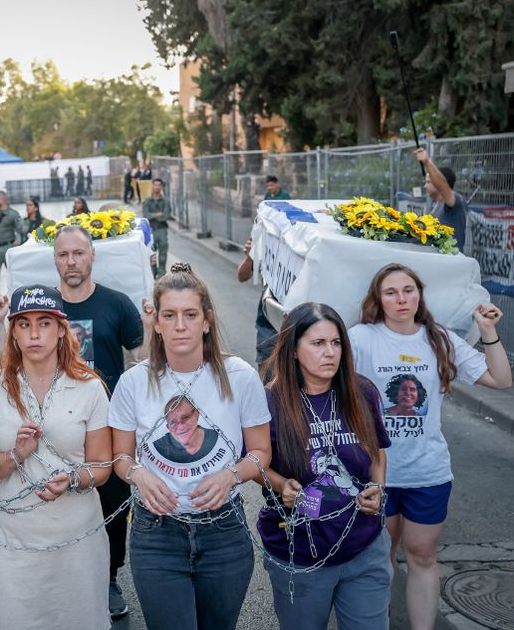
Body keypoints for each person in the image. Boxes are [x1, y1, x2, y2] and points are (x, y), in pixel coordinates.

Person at [0, 225, 149, 620]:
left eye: (79, 253)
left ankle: (108, 575)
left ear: (92, 256)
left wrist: (149, 321)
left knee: (111, 499)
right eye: (63, 255)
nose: (71, 261)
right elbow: (5, 365)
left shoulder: (116, 304)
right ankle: (49, 584)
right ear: (55, 260)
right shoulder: (40, 305)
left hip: (105, 423)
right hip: (51, 420)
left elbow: (142, 360)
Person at [108, 263, 272, 630]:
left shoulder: (240, 377)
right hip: (156, 535)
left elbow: (261, 454)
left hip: (225, 533)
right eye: (170, 315)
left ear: (207, 321)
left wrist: (231, 475)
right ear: (157, 323)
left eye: (190, 314)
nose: (180, 325)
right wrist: (138, 475)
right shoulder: (133, 382)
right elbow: (120, 456)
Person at [348, 263, 511, 630]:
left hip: (428, 472)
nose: (401, 299)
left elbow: (501, 379)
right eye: (390, 292)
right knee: (379, 557)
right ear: (378, 298)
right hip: (376, 472)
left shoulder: (439, 338)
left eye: (409, 289)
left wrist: (488, 332)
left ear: (420, 294)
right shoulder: (360, 338)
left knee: (422, 554)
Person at [0, 284, 112, 630]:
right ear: (13, 333)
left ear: (62, 331)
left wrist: (74, 479)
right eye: (24, 324)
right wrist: (15, 455)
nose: (34, 333)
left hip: (79, 536)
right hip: (18, 539)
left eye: (45, 323)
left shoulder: (90, 387)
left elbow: (102, 466)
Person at [255, 303, 391, 630]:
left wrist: (378, 486)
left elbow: (377, 453)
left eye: (336, 342)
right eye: (318, 343)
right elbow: (255, 462)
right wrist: (280, 485)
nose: (330, 352)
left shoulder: (362, 392)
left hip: (365, 547)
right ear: (293, 350)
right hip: (300, 553)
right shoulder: (269, 401)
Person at [237, 236, 279, 373]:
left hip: (300, 328)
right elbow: (242, 276)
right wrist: (250, 258)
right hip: (268, 327)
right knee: (269, 385)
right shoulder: (268, 230)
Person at [414, 147, 466, 249]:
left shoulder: (456, 201)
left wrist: (427, 162)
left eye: (428, 182)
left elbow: (443, 186)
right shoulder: (437, 205)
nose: (425, 186)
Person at [142, 178, 172, 278]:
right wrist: (158, 214)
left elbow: (166, 216)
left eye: (159, 185)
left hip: (162, 229)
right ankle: (153, 273)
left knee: (163, 248)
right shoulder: (147, 201)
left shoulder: (166, 201)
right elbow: (146, 215)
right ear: (152, 186)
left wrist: (153, 216)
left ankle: (162, 272)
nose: (157, 187)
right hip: (150, 230)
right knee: (151, 252)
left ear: (162, 187)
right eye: (155, 185)